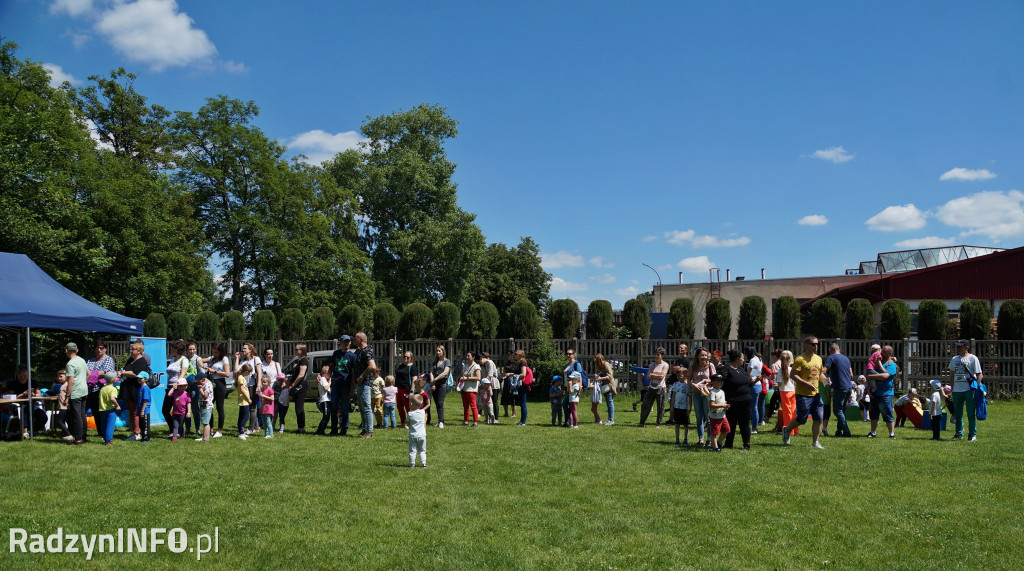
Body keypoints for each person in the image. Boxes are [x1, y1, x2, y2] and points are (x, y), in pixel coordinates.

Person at [783, 337, 826, 449]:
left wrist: (827, 382)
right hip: (803, 394)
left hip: (816, 394)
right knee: (802, 419)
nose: (816, 346)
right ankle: (787, 430)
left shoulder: (818, 359)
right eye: (813, 344)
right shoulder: (800, 359)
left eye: (817, 344)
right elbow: (793, 375)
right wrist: (806, 384)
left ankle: (815, 442)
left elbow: (819, 374)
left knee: (819, 418)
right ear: (807, 344)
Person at [948, 339, 983, 442]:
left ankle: (972, 434)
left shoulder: (973, 359)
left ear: (966, 347)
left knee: (970, 413)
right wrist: (951, 389)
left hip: (969, 390)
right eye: (957, 346)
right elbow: (952, 375)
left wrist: (976, 386)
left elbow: (979, 374)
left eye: (960, 346)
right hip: (957, 390)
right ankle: (959, 433)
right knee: (958, 413)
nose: (958, 348)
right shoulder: (954, 359)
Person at [118, 341, 150, 441]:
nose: (131, 351)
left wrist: (123, 373)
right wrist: (121, 372)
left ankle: (137, 432)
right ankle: (133, 431)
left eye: (133, 349)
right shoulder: (130, 359)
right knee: (131, 411)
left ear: (139, 351)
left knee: (136, 411)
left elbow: (135, 373)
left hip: (135, 389)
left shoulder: (142, 361)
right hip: (128, 389)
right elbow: (126, 370)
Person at [721, 349, 753, 450]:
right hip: (732, 401)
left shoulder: (741, 369)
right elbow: (720, 384)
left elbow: (747, 383)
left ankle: (746, 444)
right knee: (731, 423)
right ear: (738, 359)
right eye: (743, 358)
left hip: (745, 401)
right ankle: (729, 443)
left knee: (744, 424)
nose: (744, 360)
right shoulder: (726, 369)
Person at [866, 344, 898, 439]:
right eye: (882, 350)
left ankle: (891, 434)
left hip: (886, 394)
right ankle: (873, 432)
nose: (882, 353)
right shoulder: (877, 362)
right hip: (874, 393)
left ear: (890, 353)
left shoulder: (891, 364)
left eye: (884, 351)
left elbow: (885, 376)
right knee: (873, 414)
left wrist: (870, 377)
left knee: (887, 414)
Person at [199, 343, 230, 438]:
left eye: (216, 352)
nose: (214, 354)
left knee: (219, 407)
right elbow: (199, 360)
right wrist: (203, 366)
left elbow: (227, 373)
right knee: (209, 405)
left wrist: (214, 371)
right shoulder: (212, 358)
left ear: (221, 351)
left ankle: (219, 430)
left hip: (220, 383)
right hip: (211, 384)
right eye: (213, 352)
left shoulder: (224, 359)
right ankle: (210, 428)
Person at [350, 332, 378, 438]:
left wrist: (362, 377)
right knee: (361, 407)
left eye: (355, 339)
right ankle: (364, 429)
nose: (353, 340)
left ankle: (369, 432)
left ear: (361, 339)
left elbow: (372, 366)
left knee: (366, 407)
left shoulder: (367, 351)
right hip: (359, 383)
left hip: (365, 383)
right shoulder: (358, 351)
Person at [823, 343, 854, 437]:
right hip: (848, 387)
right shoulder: (846, 358)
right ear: (839, 349)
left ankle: (847, 431)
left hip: (839, 387)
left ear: (830, 350)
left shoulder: (831, 357)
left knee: (837, 411)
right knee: (842, 410)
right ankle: (839, 431)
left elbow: (824, 370)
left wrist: (822, 378)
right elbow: (851, 374)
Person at [86, 340, 115, 440]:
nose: (99, 350)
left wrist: (91, 374)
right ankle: (100, 431)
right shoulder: (91, 360)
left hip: (102, 389)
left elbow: (105, 372)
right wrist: (94, 374)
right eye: (97, 348)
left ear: (105, 349)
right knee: (94, 411)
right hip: (90, 390)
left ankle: (104, 432)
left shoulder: (108, 359)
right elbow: (86, 371)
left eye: (101, 348)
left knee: (102, 411)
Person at [687, 347, 715, 446]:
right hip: (696, 393)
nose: (704, 357)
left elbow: (715, 380)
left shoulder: (710, 365)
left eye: (705, 355)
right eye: (702, 355)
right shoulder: (692, 365)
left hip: (707, 393)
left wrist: (708, 381)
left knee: (708, 417)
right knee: (699, 417)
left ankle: (710, 439)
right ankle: (701, 439)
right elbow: (688, 380)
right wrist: (693, 385)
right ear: (697, 356)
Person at [64, 343, 89, 445]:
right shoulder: (81, 360)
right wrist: (83, 382)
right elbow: (89, 373)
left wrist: (67, 396)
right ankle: (83, 436)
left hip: (76, 392)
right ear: (77, 350)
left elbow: (70, 382)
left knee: (76, 415)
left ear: (66, 350)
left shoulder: (70, 364)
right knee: (82, 414)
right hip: (84, 390)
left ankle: (78, 438)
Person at [234, 343, 262, 435]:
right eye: (242, 348)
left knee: (252, 408)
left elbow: (259, 372)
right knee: (249, 406)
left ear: (250, 350)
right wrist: (237, 358)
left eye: (245, 348)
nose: (243, 350)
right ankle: (256, 426)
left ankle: (250, 429)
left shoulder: (256, 359)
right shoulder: (243, 361)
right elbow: (236, 370)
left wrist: (258, 385)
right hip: (244, 386)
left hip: (253, 385)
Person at [329, 335, 354, 436]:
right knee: (333, 407)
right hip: (335, 384)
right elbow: (330, 367)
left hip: (345, 385)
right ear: (341, 343)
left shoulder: (352, 356)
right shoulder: (336, 353)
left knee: (344, 408)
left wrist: (352, 389)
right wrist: (324, 376)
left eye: (348, 341)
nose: (346, 343)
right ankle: (334, 428)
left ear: (350, 343)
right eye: (344, 341)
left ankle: (344, 429)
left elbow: (353, 373)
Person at [164, 340, 190, 436]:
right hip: (169, 386)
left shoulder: (184, 360)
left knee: (179, 410)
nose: (171, 349)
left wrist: (177, 384)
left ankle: (178, 430)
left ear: (178, 349)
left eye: (173, 348)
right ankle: (173, 429)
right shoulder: (172, 359)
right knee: (165, 410)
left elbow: (183, 373)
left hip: (178, 388)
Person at [639, 347, 669, 428]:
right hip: (651, 387)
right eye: (655, 354)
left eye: (658, 355)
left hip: (661, 388)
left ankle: (658, 423)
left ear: (662, 356)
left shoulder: (665, 365)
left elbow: (662, 376)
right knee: (645, 404)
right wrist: (654, 375)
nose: (656, 356)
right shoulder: (652, 364)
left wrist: (653, 375)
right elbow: (648, 376)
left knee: (660, 406)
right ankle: (642, 422)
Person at [285, 344, 310, 433]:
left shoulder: (304, 360)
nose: (295, 350)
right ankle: (300, 427)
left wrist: (293, 385)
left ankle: (301, 428)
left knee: (299, 407)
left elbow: (301, 375)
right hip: (297, 385)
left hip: (301, 386)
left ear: (302, 350)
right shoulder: (298, 360)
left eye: (296, 349)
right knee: (297, 407)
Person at [260, 347, 282, 433]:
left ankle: (273, 425)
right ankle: (266, 425)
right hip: (266, 389)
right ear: (265, 355)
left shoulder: (277, 364)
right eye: (268, 354)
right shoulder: (262, 365)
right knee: (267, 407)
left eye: (271, 354)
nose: (270, 356)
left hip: (275, 388)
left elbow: (280, 376)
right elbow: (261, 377)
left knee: (276, 408)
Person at [776, 351, 798, 435]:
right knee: (793, 411)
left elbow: (779, 383)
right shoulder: (792, 369)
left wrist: (777, 385)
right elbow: (795, 383)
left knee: (787, 412)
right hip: (792, 391)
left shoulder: (780, 370)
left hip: (784, 391)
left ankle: (789, 430)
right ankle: (795, 430)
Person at [669, 366, 691, 446]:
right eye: (677, 375)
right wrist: (672, 407)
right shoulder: (675, 384)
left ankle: (685, 439)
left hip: (684, 408)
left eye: (680, 375)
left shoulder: (688, 385)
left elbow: (690, 397)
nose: (678, 377)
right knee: (677, 424)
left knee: (686, 424)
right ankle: (677, 439)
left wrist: (690, 408)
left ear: (685, 375)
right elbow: (673, 396)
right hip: (677, 407)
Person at [743, 346, 764, 433]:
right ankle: (755, 426)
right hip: (758, 384)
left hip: (753, 384)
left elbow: (749, 373)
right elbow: (758, 372)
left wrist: (748, 378)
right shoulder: (759, 359)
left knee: (753, 408)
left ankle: (754, 428)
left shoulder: (752, 360)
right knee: (754, 407)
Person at [458, 351, 481, 426]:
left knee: (473, 406)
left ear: (473, 357)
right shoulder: (466, 366)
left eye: (468, 356)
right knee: (465, 406)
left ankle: (475, 422)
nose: (467, 357)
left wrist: (467, 378)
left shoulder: (476, 366)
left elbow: (478, 377)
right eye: (467, 356)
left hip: (471, 389)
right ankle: (466, 421)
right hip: (464, 388)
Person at [97, 372, 120, 446]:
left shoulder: (102, 389)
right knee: (110, 425)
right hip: (111, 410)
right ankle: (108, 441)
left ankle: (105, 438)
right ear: (114, 380)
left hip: (102, 409)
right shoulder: (113, 389)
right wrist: (117, 405)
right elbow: (112, 398)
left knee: (103, 425)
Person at [562, 349, 584, 426]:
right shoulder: (566, 365)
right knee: (567, 405)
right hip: (567, 387)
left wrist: (580, 388)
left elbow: (579, 376)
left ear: (574, 355)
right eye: (567, 354)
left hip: (574, 387)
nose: (568, 355)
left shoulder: (576, 364)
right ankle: (569, 422)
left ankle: (569, 422)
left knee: (567, 405)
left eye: (570, 354)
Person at [430, 345, 451, 428]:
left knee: (440, 402)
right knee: (436, 403)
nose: (438, 352)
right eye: (437, 351)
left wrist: (435, 379)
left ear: (443, 351)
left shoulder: (447, 361)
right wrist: (432, 382)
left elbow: (445, 372)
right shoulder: (434, 362)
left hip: (442, 384)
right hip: (434, 384)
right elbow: (431, 372)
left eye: (439, 351)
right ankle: (439, 420)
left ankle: (441, 421)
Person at [708, 374, 729, 452]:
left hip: (722, 415)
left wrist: (725, 405)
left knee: (726, 430)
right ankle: (715, 448)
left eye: (721, 381)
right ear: (712, 382)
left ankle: (718, 443)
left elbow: (722, 402)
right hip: (715, 416)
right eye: (718, 381)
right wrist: (723, 405)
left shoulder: (722, 391)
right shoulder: (713, 392)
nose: (720, 383)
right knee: (714, 433)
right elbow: (711, 404)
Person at [594, 354, 616, 425]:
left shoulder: (606, 364)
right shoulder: (601, 366)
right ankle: (609, 419)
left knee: (610, 402)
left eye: (596, 360)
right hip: (605, 385)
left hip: (609, 385)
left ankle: (611, 420)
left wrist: (601, 378)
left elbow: (610, 375)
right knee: (608, 402)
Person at [407, 393, 428, 468]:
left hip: (413, 435)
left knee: (412, 451)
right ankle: (424, 463)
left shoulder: (410, 414)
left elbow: (407, 422)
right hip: (422, 435)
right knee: (422, 450)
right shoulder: (422, 412)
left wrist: (408, 425)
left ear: (411, 404)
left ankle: (412, 464)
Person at [479, 352, 499, 424]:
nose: (479, 363)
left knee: (494, 401)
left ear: (482, 358)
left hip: (493, 383)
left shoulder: (490, 362)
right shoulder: (482, 365)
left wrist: (482, 384)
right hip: (485, 385)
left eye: (479, 361)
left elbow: (489, 376)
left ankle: (496, 418)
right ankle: (488, 418)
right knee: (486, 402)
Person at [512, 350, 530, 426]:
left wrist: (514, 376)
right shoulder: (518, 362)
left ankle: (523, 422)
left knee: (523, 403)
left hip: (522, 385)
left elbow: (523, 374)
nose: (514, 355)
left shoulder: (523, 362)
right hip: (519, 385)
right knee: (521, 403)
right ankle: (522, 421)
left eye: (515, 354)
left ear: (520, 355)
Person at [196, 372, 214, 442]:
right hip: (204, 405)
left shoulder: (208, 385)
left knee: (206, 423)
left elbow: (205, 396)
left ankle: (206, 438)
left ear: (203, 379)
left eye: (199, 382)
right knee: (205, 422)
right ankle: (205, 436)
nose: (198, 383)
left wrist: (200, 390)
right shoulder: (205, 384)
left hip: (206, 405)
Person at [54, 370, 72, 440]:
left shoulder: (67, 384)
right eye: (58, 376)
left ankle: (68, 434)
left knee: (59, 421)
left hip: (64, 406)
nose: (59, 378)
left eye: (61, 376)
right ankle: (69, 432)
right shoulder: (63, 385)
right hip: (63, 406)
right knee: (67, 420)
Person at [236, 363, 252, 440]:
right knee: (245, 416)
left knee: (242, 415)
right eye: (249, 372)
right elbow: (242, 389)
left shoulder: (241, 377)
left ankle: (241, 431)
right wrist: (248, 398)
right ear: (245, 371)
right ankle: (241, 432)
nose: (249, 374)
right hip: (244, 400)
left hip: (244, 399)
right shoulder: (241, 378)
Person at [315, 365, 332, 435]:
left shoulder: (325, 380)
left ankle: (321, 430)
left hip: (328, 400)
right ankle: (320, 430)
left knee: (327, 416)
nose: (330, 375)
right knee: (326, 416)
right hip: (324, 400)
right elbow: (325, 388)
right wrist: (330, 382)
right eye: (329, 373)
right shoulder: (322, 379)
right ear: (325, 373)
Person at [501, 350, 518, 419]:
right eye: (509, 355)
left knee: (512, 397)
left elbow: (518, 372)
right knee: (505, 396)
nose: (510, 356)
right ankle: (506, 413)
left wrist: (510, 374)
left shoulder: (516, 363)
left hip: (513, 381)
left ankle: (514, 413)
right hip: (506, 381)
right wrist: (503, 372)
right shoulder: (507, 363)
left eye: (511, 355)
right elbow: (505, 369)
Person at [136, 371, 152, 443]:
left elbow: (145, 400)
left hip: (145, 410)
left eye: (140, 378)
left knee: (145, 425)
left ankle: (146, 438)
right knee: (141, 424)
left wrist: (142, 411)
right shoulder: (140, 388)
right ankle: (143, 437)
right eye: (138, 378)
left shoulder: (145, 388)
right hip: (140, 409)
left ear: (146, 379)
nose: (139, 379)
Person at [258, 375, 275, 439]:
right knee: (264, 422)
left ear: (269, 383)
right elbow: (260, 398)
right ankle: (266, 433)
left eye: (265, 382)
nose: (263, 384)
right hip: (263, 408)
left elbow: (272, 399)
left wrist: (264, 396)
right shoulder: (261, 390)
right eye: (262, 382)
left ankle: (271, 434)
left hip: (268, 408)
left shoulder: (270, 390)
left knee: (268, 421)